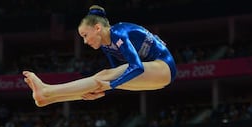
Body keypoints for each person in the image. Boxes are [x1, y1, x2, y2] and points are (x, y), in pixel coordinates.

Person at [23, 5, 177, 107]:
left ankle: (47, 91)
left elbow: (136, 67)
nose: (84, 41)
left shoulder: (119, 33)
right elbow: (118, 72)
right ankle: (49, 98)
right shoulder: (106, 45)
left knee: (104, 76)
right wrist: (102, 92)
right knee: (101, 80)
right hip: (153, 76)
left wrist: (110, 85)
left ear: (97, 28)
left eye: (85, 35)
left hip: (163, 67)